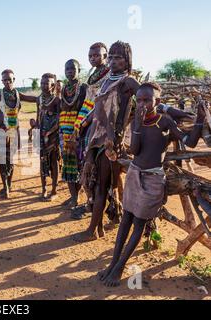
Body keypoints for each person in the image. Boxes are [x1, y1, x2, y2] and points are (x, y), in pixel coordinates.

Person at [98, 82, 207, 287]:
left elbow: (189, 141)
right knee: (125, 221)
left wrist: (200, 120)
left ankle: (120, 267)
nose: (142, 104)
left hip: (153, 180)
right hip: (134, 175)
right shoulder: (137, 123)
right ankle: (112, 264)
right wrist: (137, 125)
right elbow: (136, 151)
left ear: (157, 101)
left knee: (138, 223)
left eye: (147, 100)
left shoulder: (164, 122)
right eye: (139, 100)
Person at [74, 41, 140, 242]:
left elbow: (148, 97)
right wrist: (85, 121)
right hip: (95, 137)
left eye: (117, 57)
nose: (112, 61)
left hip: (110, 142)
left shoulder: (128, 82)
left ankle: (92, 230)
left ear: (127, 60)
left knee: (102, 185)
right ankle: (99, 226)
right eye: (110, 57)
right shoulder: (106, 81)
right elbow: (99, 107)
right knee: (92, 183)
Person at [0, 69, 37, 199]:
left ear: (14, 80)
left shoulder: (18, 94)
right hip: (1, 129)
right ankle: (6, 188)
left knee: (10, 159)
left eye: (9, 79)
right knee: (2, 159)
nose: (7, 82)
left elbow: (33, 99)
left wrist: (47, 97)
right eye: (4, 80)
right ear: (2, 81)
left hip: (14, 129)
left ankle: (8, 186)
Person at [72, 42, 110, 220]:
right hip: (87, 110)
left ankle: (95, 198)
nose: (93, 58)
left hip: (101, 113)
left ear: (105, 55)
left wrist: (88, 119)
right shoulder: (92, 74)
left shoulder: (110, 73)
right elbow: (89, 97)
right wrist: (81, 119)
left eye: (96, 55)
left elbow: (103, 100)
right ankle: (89, 198)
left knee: (91, 148)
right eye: (90, 56)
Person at [59, 59, 88, 209]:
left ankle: (78, 197)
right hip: (64, 133)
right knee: (68, 165)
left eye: (73, 68)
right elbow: (62, 109)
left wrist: (78, 130)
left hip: (80, 133)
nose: (70, 71)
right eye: (67, 68)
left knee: (80, 166)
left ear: (79, 70)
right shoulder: (63, 89)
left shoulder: (84, 88)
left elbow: (87, 109)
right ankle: (74, 197)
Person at [36, 73, 61, 201]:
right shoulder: (39, 99)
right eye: (42, 83)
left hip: (53, 136)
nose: (44, 85)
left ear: (52, 86)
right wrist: (35, 128)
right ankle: (44, 189)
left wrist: (50, 132)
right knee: (42, 161)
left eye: (47, 83)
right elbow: (38, 117)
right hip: (41, 135)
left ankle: (54, 190)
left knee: (53, 161)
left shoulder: (56, 100)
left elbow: (59, 119)